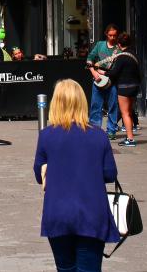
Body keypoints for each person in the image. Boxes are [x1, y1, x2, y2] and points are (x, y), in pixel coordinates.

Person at [33, 79, 120, 270]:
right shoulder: (99, 135)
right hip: (91, 214)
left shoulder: (47, 135)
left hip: (58, 214)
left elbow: (39, 174)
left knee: (65, 268)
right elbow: (110, 174)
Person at [104, 33, 141, 147]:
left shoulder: (121, 57)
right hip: (134, 87)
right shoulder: (134, 55)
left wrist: (104, 72)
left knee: (125, 113)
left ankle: (130, 139)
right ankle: (129, 136)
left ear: (119, 44)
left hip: (124, 88)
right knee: (129, 112)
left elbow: (114, 73)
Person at [86, 24, 121, 140]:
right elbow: (90, 58)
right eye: (110, 35)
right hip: (98, 79)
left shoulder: (119, 48)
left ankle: (111, 131)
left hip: (112, 80)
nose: (112, 37)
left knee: (113, 106)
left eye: (115, 35)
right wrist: (94, 72)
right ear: (106, 34)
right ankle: (95, 130)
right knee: (96, 105)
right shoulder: (100, 45)